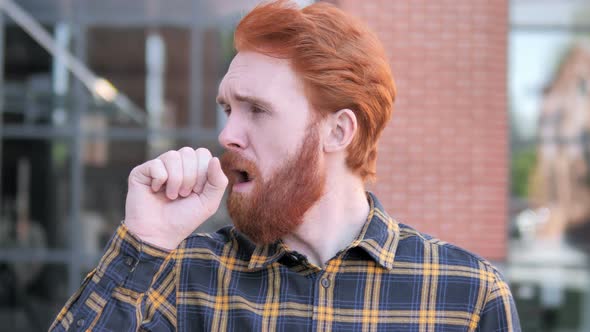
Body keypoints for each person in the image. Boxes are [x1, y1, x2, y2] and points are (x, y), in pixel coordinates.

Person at [50, 1, 520, 331]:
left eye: (256, 109)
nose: (227, 134)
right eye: (227, 108)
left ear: (339, 132)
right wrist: (144, 242)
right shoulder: (186, 277)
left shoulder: (466, 297)